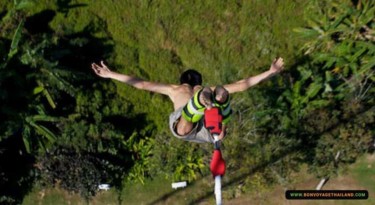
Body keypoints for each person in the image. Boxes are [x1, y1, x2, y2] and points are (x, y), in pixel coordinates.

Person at [91, 57, 284, 143]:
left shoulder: (175, 89)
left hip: (193, 125)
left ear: (182, 81)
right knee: (220, 91)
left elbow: (141, 84)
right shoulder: (192, 88)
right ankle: (211, 104)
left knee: (210, 97)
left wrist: (112, 75)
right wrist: (270, 72)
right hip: (203, 125)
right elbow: (243, 84)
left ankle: (204, 104)